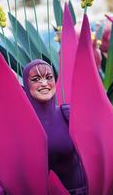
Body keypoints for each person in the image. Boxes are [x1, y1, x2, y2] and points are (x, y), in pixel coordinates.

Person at [22, 59, 87, 194]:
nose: (44, 83)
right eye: (36, 79)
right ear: (26, 85)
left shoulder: (67, 114)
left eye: (49, 77)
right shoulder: (22, 123)